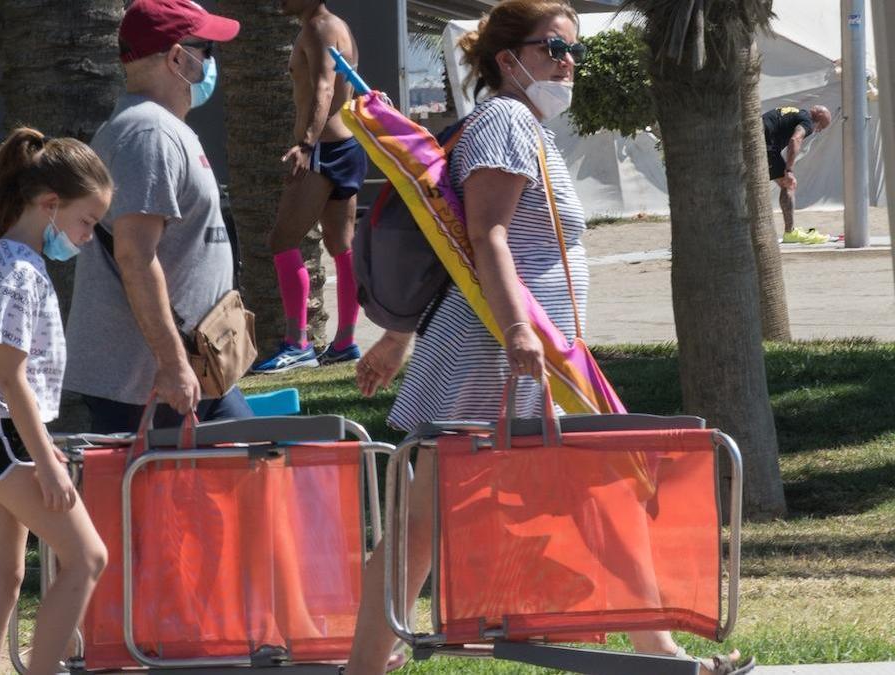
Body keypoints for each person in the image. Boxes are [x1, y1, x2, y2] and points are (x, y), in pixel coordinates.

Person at [345, 2, 754, 674]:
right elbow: (486, 236)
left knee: (599, 494)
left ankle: (663, 652)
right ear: (508, 61)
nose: (569, 62)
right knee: (425, 520)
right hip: (497, 354)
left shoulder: (523, 128)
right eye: (553, 48)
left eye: (574, 50)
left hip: (527, 355)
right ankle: (359, 665)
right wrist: (515, 332)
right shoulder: (505, 121)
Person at [0, 127, 112, 675]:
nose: (88, 236)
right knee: (88, 557)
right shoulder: (20, 273)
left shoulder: (6, 260)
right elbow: (11, 378)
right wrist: (45, 460)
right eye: (87, 221)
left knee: (1, 586)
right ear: (49, 204)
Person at [64, 0, 253, 431]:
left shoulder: (158, 127)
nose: (209, 62)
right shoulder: (147, 134)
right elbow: (135, 255)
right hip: (153, 382)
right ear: (177, 57)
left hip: (187, 373)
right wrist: (171, 363)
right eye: (206, 49)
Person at [252, 0, 366, 373]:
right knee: (340, 245)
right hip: (346, 147)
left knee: (281, 241)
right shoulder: (337, 25)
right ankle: (346, 342)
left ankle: (298, 343)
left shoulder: (318, 27)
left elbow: (323, 88)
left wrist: (306, 144)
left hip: (325, 150)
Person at [762, 105, 831, 237]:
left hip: (759, 138)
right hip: (765, 144)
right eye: (821, 127)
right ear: (819, 119)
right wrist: (788, 170)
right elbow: (795, 139)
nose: (818, 130)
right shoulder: (808, 122)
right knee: (788, 184)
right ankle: (790, 233)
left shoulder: (797, 113)